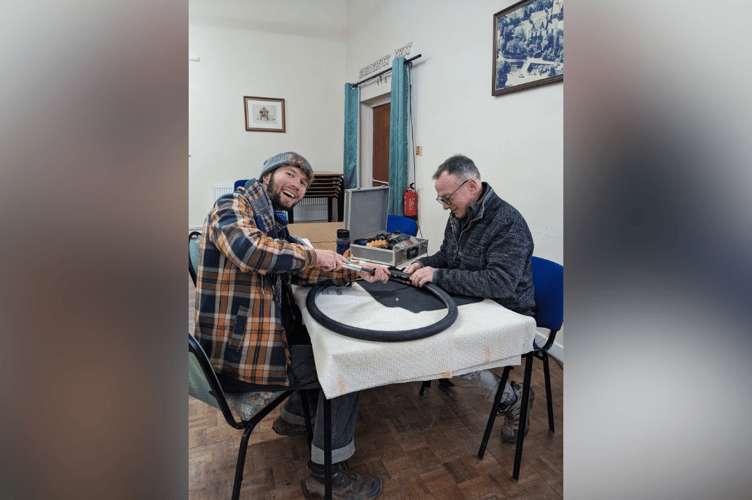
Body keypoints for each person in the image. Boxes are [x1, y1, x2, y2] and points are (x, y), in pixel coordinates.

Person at [194, 151, 389, 499]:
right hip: (239, 362)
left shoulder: (270, 222)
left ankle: (295, 416)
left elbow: (299, 266)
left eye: (302, 183)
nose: (297, 186)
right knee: (347, 366)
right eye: (290, 174)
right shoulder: (231, 206)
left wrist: (357, 272)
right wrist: (314, 254)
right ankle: (326, 475)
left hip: (243, 351)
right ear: (266, 176)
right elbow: (253, 251)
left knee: (311, 340)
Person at [404, 154, 536, 443]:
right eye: (441, 200)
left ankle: (513, 401)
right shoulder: (460, 213)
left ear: (472, 186)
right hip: (473, 300)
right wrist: (424, 263)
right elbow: (448, 257)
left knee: (450, 348)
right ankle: (450, 369)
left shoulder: (507, 223)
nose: (445, 206)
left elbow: (499, 284)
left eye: (447, 199)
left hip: (508, 310)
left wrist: (437, 276)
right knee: (422, 326)